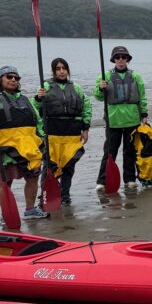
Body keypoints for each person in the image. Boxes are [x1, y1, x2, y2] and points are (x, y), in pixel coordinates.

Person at [0, 66, 47, 220]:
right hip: (4, 150)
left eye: (16, 78)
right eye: (9, 77)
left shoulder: (24, 99)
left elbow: (37, 122)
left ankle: (30, 210)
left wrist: (44, 139)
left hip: (28, 149)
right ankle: (7, 214)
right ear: (0, 80)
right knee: (6, 182)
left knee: (32, 178)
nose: (13, 80)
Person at [34, 58, 91, 204]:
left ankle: (65, 195)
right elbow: (34, 108)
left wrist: (85, 128)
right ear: (54, 71)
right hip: (52, 133)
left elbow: (86, 108)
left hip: (72, 133)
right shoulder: (45, 87)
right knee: (49, 166)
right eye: (58, 69)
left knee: (69, 166)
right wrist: (38, 98)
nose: (61, 71)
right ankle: (46, 194)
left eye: (64, 68)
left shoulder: (76, 88)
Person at [94, 46, 148, 189]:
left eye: (124, 57)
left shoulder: (135, 76)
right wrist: (101, 88)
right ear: (114, 60)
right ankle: (102, 180)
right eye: (117, 57)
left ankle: (129, 178)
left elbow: (142, 96)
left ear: (128, 60)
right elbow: (98, 97)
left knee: (130, 150)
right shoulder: (105, 76)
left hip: (132, 118)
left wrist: (144, 114)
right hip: (113, 119)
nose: (121, 60)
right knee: (110, 151)